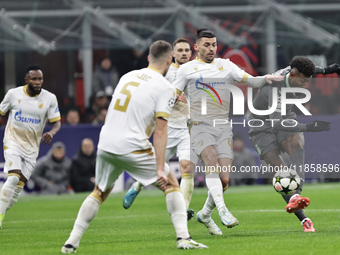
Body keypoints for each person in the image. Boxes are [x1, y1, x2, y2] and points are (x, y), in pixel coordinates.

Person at [61, 40, 207, 253]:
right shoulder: (165, 87)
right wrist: (159, 168)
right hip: (131, 145)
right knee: (172, 185)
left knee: (99, 192)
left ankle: (70, 243)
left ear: (148, 58)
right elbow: (160, 131)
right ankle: (183, 238)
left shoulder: (126, 76)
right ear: (169, 60)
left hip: (106, 143)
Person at [173, 28, 283, 235]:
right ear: (196, 47)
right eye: (207, 45)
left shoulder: (226, 65)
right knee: (211, 162)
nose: (211, 48)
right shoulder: (186, 69)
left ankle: (205, 213)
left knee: (224, 180)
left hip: (223, 126)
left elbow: (251, 80)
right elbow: (172, 94)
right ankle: (223, 210)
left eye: (214, 44)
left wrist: (267, 78)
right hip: (199, 126)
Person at [248, 57, 338, 232]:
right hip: (261, 126)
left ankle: (296, 195)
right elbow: (276, 123)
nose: (306, 86)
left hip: (285, 116)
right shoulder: (275, 89)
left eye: (308, 81)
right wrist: (309, 127)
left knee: (296, 143)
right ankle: (304, 220)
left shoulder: (294, 71)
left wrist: (327, 70)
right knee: (280, 170)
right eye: (303, 82)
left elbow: (311, 70)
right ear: (294, 75)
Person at [123, 38, 197, 220]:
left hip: (187, 129)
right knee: (155, 168)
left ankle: (182, 210)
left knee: (187, 168)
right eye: (180, 50)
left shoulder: (195, 72)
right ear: (173, 54)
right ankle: (137, 186)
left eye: (187, 50)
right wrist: (172, 93)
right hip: (167, 128)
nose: (184, 53)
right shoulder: (166, 72)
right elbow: (150, 90)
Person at [0, 63, 61, 228]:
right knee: (13, 177)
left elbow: (56, 122)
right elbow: (1, 112)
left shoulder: (49, 98)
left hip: (32, 149)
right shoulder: (13, 94)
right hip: (12, 141)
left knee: (14, 196)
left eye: (40, 79)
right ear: (26, 79)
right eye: (34, 79)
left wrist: (52, 133)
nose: (37, 82)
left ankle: (2, 208)